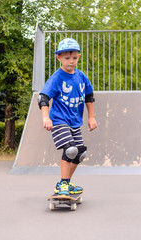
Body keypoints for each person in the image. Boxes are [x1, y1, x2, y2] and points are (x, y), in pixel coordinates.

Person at [38, 38, 98, 195]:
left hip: (75, 122)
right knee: (70, 150)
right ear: (59, 58)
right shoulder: (57, 78)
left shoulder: (81, 77)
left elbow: (89, 96)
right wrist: (46, 117)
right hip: (59, 120)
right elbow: (43, 97)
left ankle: (65, 184)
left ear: (79, 56)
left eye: (74, 58)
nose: (71, 61)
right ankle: (63, 185)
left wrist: (91, 117)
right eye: (67, 58)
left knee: (80, 153)